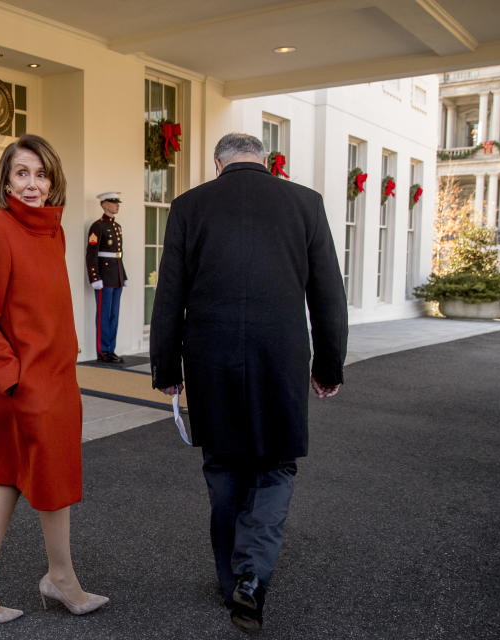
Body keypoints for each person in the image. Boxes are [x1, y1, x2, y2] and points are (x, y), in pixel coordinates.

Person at [149, 133, 348, 633]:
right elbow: (328, 294)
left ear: (218, 164)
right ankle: (252, 577)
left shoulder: (190, 205)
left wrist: (166, 369)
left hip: (210, 357)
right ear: (265, 161)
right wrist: (329, 365)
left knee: (223, 466)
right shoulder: (305, 202)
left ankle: (230, 579)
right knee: (275, 467)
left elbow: (169, 293)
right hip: (279, 356)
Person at [0, 134, 109, 624]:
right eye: (21, 173)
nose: (32, 184)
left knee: (46, 476)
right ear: (4, 179)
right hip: (22, 384)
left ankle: (46, 579)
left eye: (41, 174)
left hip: (57, 377)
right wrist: (18, 382)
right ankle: (2, 582)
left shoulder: (53, 231)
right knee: (13, 478)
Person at [86, 191, 128, 363]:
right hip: (104, 277)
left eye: (117, 202)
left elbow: (118, 254)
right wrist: (94, 277)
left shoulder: (117, 227)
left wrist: (123, 276)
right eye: (113, 202)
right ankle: (103, 351)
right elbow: (91, 254)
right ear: (104, 205)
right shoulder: (98, 226)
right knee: (104, 315)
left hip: (116, 276)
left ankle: (111, 349)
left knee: (114, 315)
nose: (117, 205)